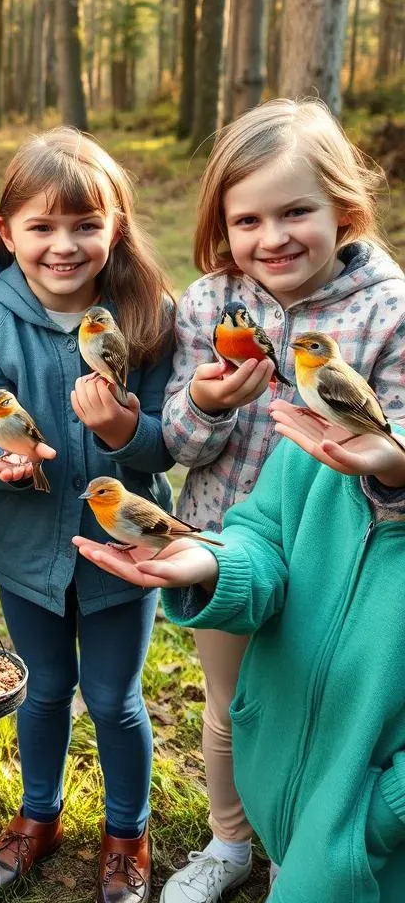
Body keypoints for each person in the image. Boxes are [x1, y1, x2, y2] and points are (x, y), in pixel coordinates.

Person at [158, 98, 405, 903]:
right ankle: (232, 842)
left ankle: (315, 848)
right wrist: (209, 403)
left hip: (345, 567)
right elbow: (179, 445)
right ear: (223, 226)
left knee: (329, 709)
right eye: (248, 220)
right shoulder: (208, 305)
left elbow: (397, 446)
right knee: (235, 707)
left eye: (297, 211)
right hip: (225, 540)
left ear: (343, 206)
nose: (274, 238)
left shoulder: (387, 309)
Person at [0, 128, 174, 902]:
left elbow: (166, 445)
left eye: (84, 225)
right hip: (25, 552)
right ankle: (38, 816)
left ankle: (126, 832)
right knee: (44, 689)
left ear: (114, 227)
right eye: (42, 227)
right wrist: (2, 461)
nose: (63, 245)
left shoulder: (145, 313)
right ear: (7, 232)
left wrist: (122, 431)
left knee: (114, 697)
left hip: (126, 556)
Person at [74, 398, 405, 903]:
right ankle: (257, 853)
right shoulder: (305, 456)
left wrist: (383, 814)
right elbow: (262, 540)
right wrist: (215, 565)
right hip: (281, 788)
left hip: (373, 830)